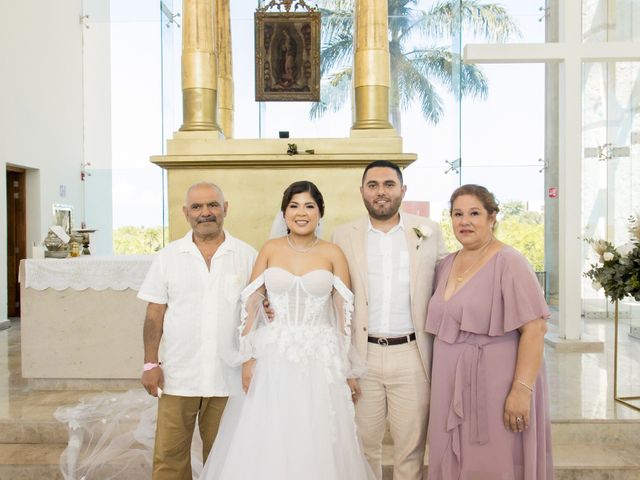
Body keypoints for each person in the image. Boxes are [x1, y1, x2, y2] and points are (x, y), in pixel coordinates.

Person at [200, 180, 374, 479]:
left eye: (309, 206)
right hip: (273, 357)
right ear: (284, 213)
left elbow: (344, 312)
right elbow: (251, 302)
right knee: (270, 434)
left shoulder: (333, 253)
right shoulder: (270, 249)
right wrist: (247, 357)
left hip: (320, 359)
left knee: (315, 434)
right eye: (294, 206)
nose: (301, 212)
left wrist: (347, 367)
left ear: (320, 212)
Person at [425, 184, 553, 479]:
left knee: (491, 458)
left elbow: (535, 327)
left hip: (494, 384)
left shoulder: (509, 261)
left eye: (474, 213)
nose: (464, 221)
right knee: (448, 453)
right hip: (449, 382)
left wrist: (521, 391)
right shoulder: (445, 265)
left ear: (492, 217)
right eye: (458, 214)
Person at [332, 160, 447, 480]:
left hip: (412, 353)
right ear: (362, 192)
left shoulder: (428, 230)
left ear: (402, 190)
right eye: (373, 185)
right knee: (363, 446)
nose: (380, 192)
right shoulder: (343, 235)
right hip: (362, 355)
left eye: (388, 185)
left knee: (410, 448)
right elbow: (330, 292)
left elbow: (448, 282)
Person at [138, 182, 257, 480]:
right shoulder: (168, 257)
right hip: (179, 376)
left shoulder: (247, 255)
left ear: (225, 208)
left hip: (227, 379)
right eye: (197, 207)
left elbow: (257, 314)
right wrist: (151, 363)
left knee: (225, 460)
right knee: (169, 459)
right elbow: (154, 315)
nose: (206, 213)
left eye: (212, 205)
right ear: (186, 213)